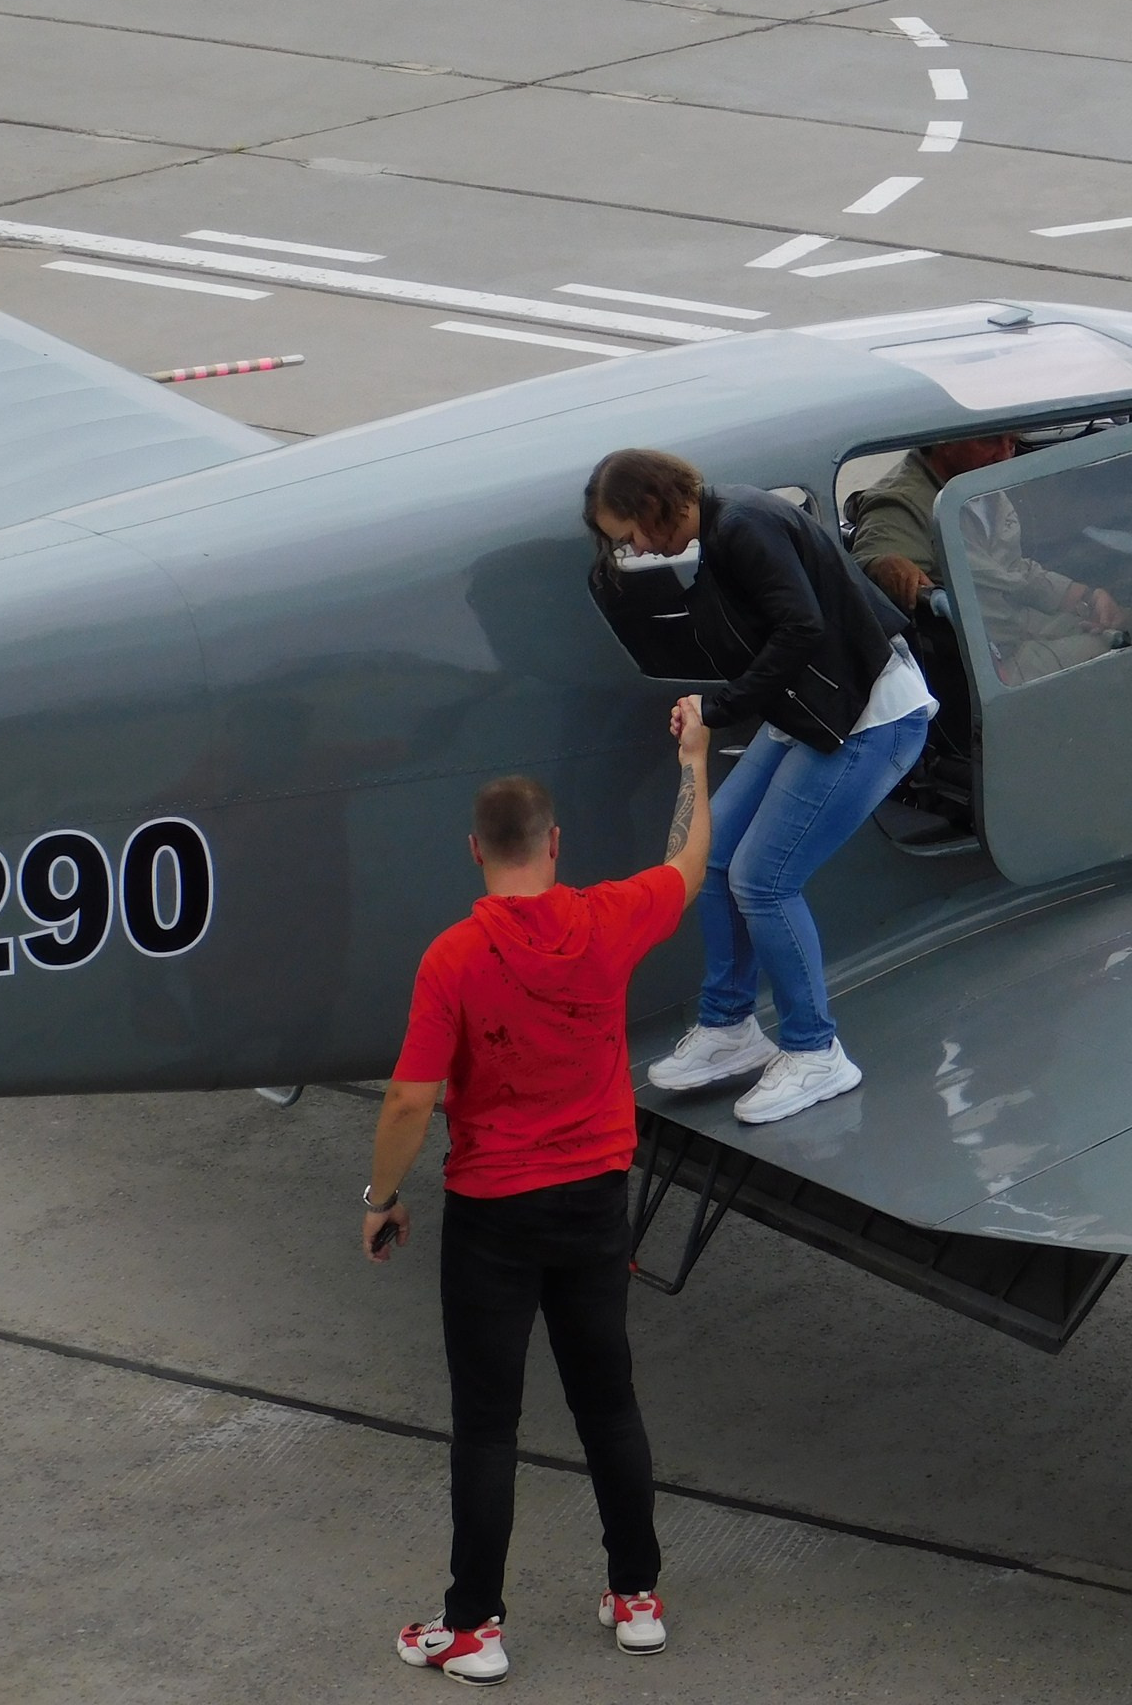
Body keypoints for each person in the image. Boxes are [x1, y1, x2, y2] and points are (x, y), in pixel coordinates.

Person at [364, 714, 712, 1687]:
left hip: (492, 1216)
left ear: (476, 852)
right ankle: (635, 1596)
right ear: (554, 845)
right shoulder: (605, 919)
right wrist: (694, 761)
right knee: (608, 1403)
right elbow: (687, 862)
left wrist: (381, 1195)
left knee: (487, 1424)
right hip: (594, 1202)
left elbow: (408, 1098)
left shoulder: (453, 960)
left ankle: (474, 1626)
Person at [586, 447, 935, 1125]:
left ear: (655, 505)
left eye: (627, 531)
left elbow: (801, 626)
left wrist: (716, 709)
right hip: (810, 712)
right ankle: (730, 1028)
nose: (630, 547)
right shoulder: (723, 525)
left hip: (866, 717)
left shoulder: (741, 525)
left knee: (763, 879)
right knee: (714, 856)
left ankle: (816, 1051)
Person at [848, 434, 1127, 686]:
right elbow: (869, 563)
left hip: (1015, 623)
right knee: (1122, 651)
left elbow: (1011, 568)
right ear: (944, 440)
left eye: (1012, 443)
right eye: (990, 441)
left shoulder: (976, 484)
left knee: (1121, 626)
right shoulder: (902, 502)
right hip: (988, 662)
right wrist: (885, 566)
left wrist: (1086, 596)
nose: (1005, 455)